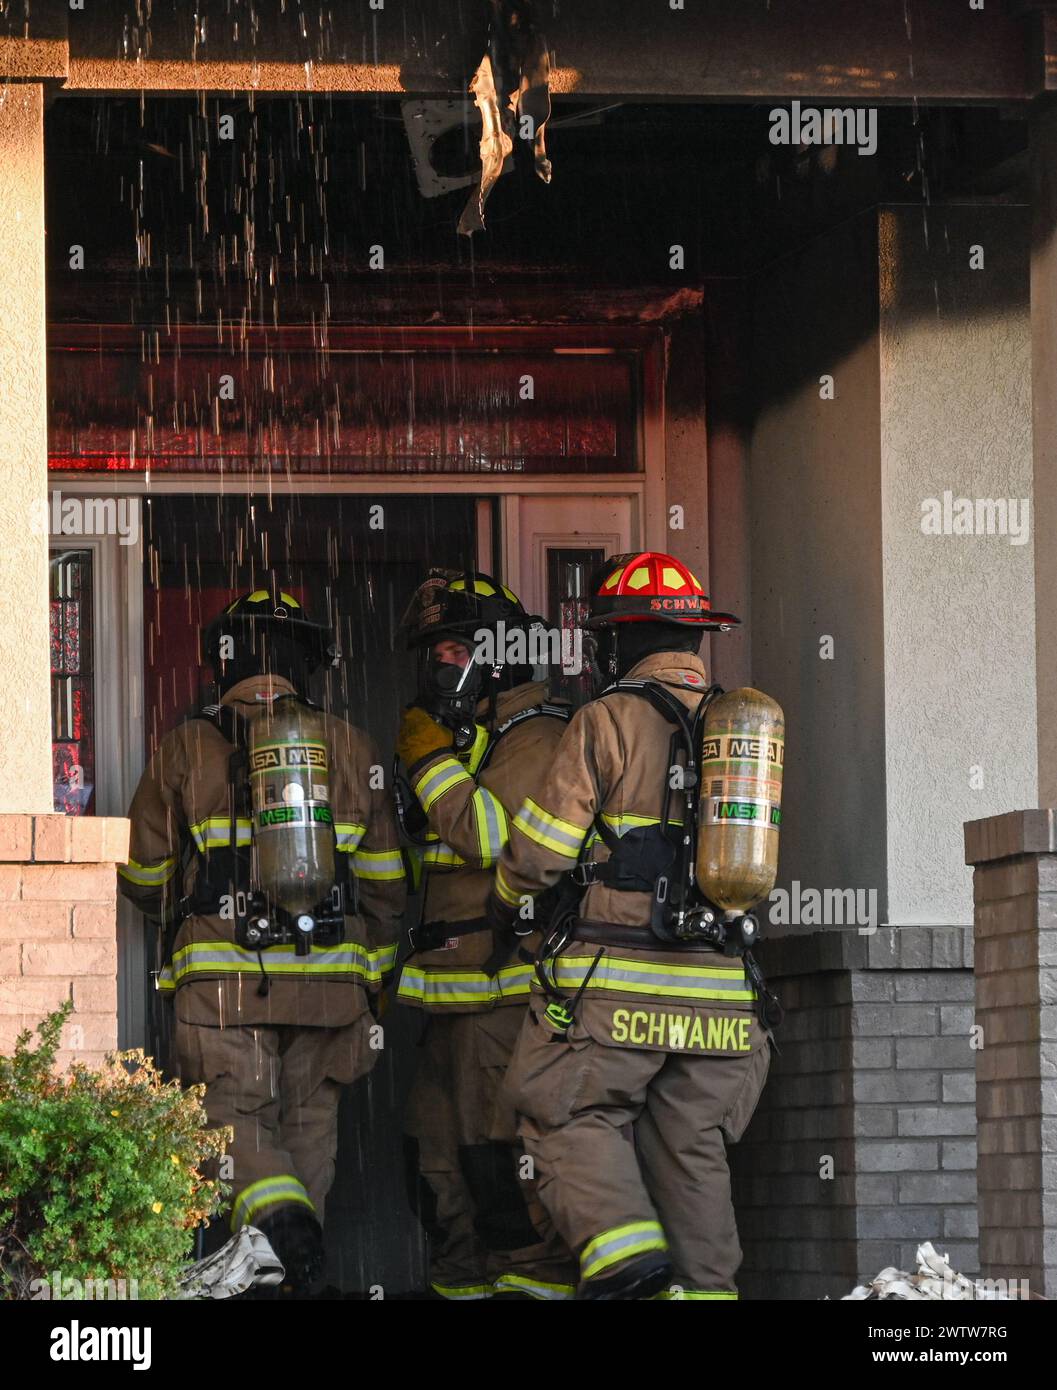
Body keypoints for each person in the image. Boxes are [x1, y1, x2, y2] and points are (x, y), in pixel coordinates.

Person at [487, 551, 775, 1301]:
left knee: (561, 1111)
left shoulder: (604, 720)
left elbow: (541, 852)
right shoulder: (740, 733)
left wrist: (503, 890)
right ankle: (705, 1294)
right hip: (722, 994)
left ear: (619, 642)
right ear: (694, 639)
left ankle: (627, 1265)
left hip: (616, 984)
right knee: (689, 1147)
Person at [119, 581, 406, 1293]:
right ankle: (294, 1269)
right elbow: (386, 890)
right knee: (309, 1125)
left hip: (224, 989)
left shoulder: (186, 745)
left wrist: (183, 903)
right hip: (330, 988)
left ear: (226, 664)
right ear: (306, 664)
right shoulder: (350, 746)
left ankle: (281, 1236)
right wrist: (367, 981)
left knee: (233, 1117)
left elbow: (144, 874)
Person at [394, 570, 576, 1300]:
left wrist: (429, 763)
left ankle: (531, 1289)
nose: (438, 668)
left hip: (503, 997)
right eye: (431, 654)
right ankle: (461, 1288)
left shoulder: (537, 737)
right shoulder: (475, 738)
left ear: (494, 657)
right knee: (433, 1166)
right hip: (450, 998)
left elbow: (489, 836)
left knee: (498, 1172)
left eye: (450, 651)